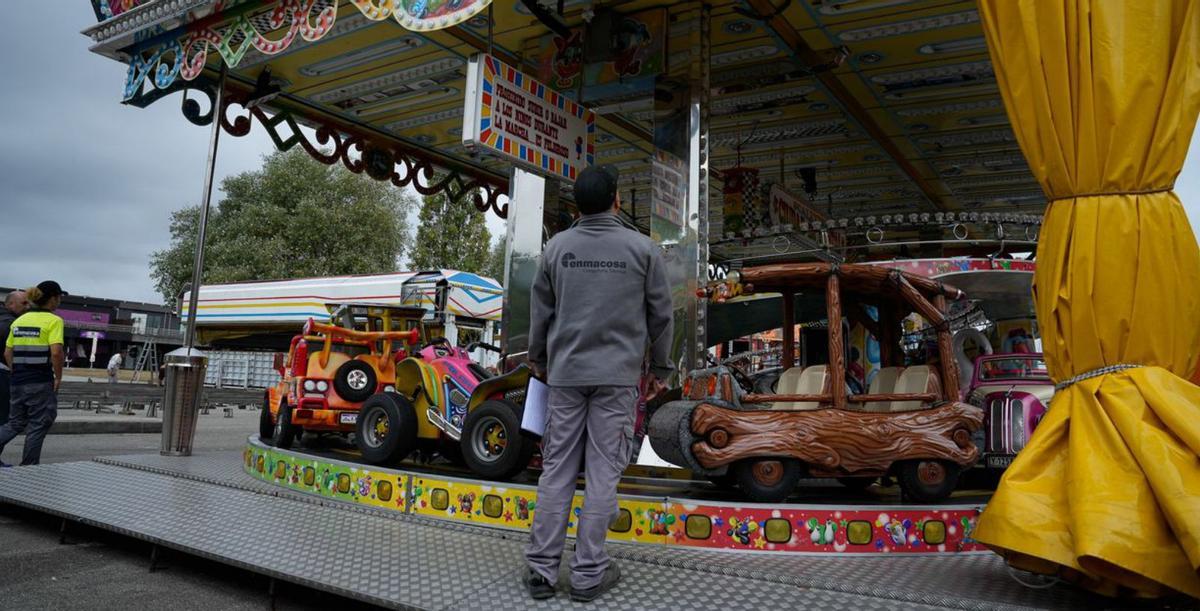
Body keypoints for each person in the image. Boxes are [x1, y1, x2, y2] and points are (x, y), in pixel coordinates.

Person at [525, 164, 674, 602]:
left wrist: (538, 359)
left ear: (577, 204)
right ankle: (588, 574)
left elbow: (541, 312)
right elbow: (661, 317)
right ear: (617, 200)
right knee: (603, 474)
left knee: (557, 470)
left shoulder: (556, 249)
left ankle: (541, 572)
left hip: (566, 377)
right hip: (618, 379)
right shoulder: (644, 250)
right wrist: (660, 371)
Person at [0, 281, 67, 466]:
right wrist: (58, 377)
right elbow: (56, 352)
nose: (59, 301)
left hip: (17, 381)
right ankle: (29, 468)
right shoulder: (54, 321)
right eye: (59, 297)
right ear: (53, 299)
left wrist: (17, 371)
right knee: (39, 424)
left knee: (14, 423)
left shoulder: (20, 320)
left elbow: (7, 352)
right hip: (40, 381)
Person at [0, 290, 29, 425]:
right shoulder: (12, 325)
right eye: (24, 303)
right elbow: (11, 353)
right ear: (10, 304)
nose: (27, 306)